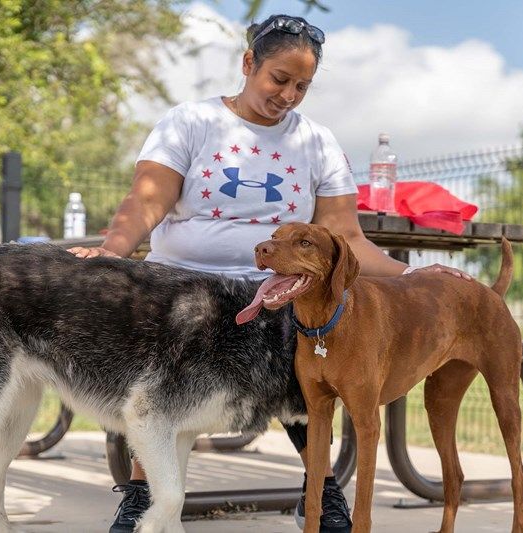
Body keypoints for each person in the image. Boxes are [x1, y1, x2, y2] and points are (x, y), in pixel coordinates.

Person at [69, 13, 471, 533]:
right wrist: (114, 249)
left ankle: (321, 492)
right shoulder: (190, 122)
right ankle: (144, 496)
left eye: (302, 86)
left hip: (278, 289)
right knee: (166, 368)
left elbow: (345, 237)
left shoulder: (317, 142)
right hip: (184, 286)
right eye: (279, 79)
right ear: (248, 63)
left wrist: (414, 275)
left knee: (313, 335)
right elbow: (149, 199)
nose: (288, 95)